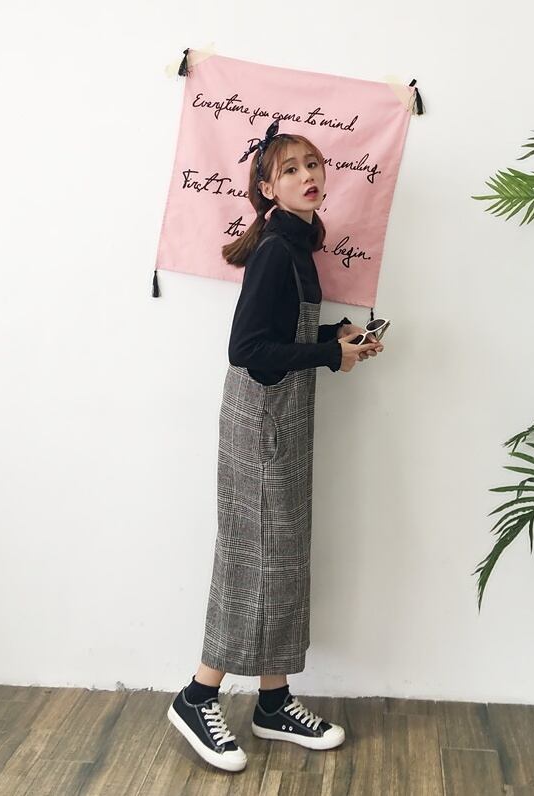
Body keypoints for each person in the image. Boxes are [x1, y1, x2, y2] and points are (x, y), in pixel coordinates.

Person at [167, 121, 384, 772]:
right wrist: (330, 356)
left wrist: (334, 335)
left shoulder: (297, 244)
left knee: (282, 555)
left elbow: (280, 331)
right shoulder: (273, 251)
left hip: (281, 420)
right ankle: (196, 696)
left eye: (312, 164)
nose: (306, 176)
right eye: (289, 170)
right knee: (253, 557)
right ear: (267, 188)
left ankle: (272, 700)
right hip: (261, 423)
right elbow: (247, 349)